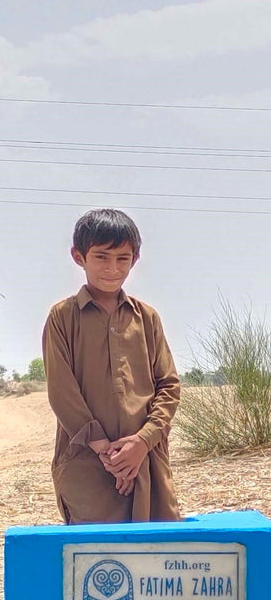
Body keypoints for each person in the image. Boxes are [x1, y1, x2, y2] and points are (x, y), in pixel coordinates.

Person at [42, 208, 180, 524]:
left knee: (155, 559)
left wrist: (143, 441)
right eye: (102, 257)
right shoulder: (62, 318)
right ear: (79, 257)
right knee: (97, 562)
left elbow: (168, 386)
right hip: (87, 463)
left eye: (122, 259)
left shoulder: (147, 318)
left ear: (135, 258)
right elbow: (62, 391)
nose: (112, 268)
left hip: (147, 460)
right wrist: (105, 450)